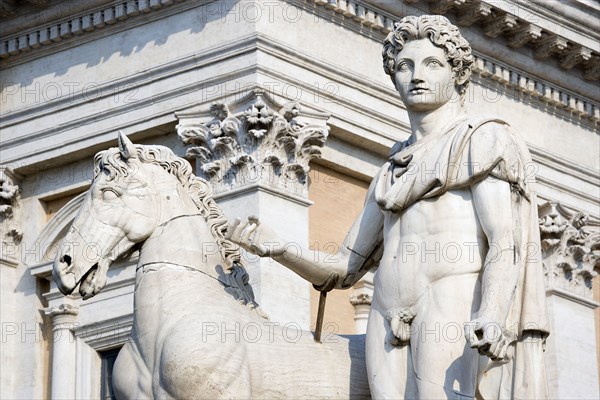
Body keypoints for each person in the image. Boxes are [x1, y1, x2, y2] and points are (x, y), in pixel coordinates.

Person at [228, 15, 549, 399]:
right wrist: (278, 247)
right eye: (404, 66)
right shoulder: (390, 173)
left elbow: (504, 241)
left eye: (433, 64)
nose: (417, 75)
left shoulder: (481, 140)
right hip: (385, 314)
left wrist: (494, 313)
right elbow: (344, 268)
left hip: (450, 299)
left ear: (458, 74)